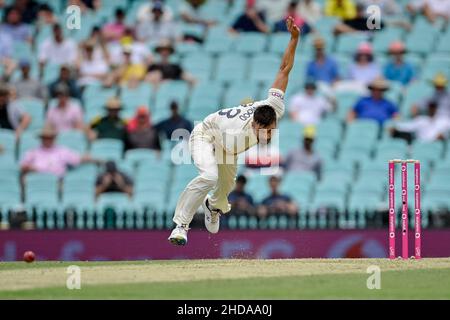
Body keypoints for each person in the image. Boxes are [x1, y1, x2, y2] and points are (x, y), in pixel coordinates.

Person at [168, 17, 300, 246]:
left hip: (226, 146)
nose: (267, 137)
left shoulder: (274, 106)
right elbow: (221, 155)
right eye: (263, 133)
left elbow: (284, 69)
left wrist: (294, 38)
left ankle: (213, 206)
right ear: (253, 126)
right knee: (210, 176)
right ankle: (181, 225)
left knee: (225, 189)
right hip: (206, 136)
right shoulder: (238, 134)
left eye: (270, 132)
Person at [20, 126, 97, 178]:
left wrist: (94, 159)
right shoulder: (33, 152)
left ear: (54, 138)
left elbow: (77, 159)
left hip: (58, 181)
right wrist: (32, 168)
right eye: (45, 138)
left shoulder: (62, 151)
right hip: (39, 181)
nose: (48, 140)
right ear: (42, 139)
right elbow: (23, 166)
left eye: (50, 138)